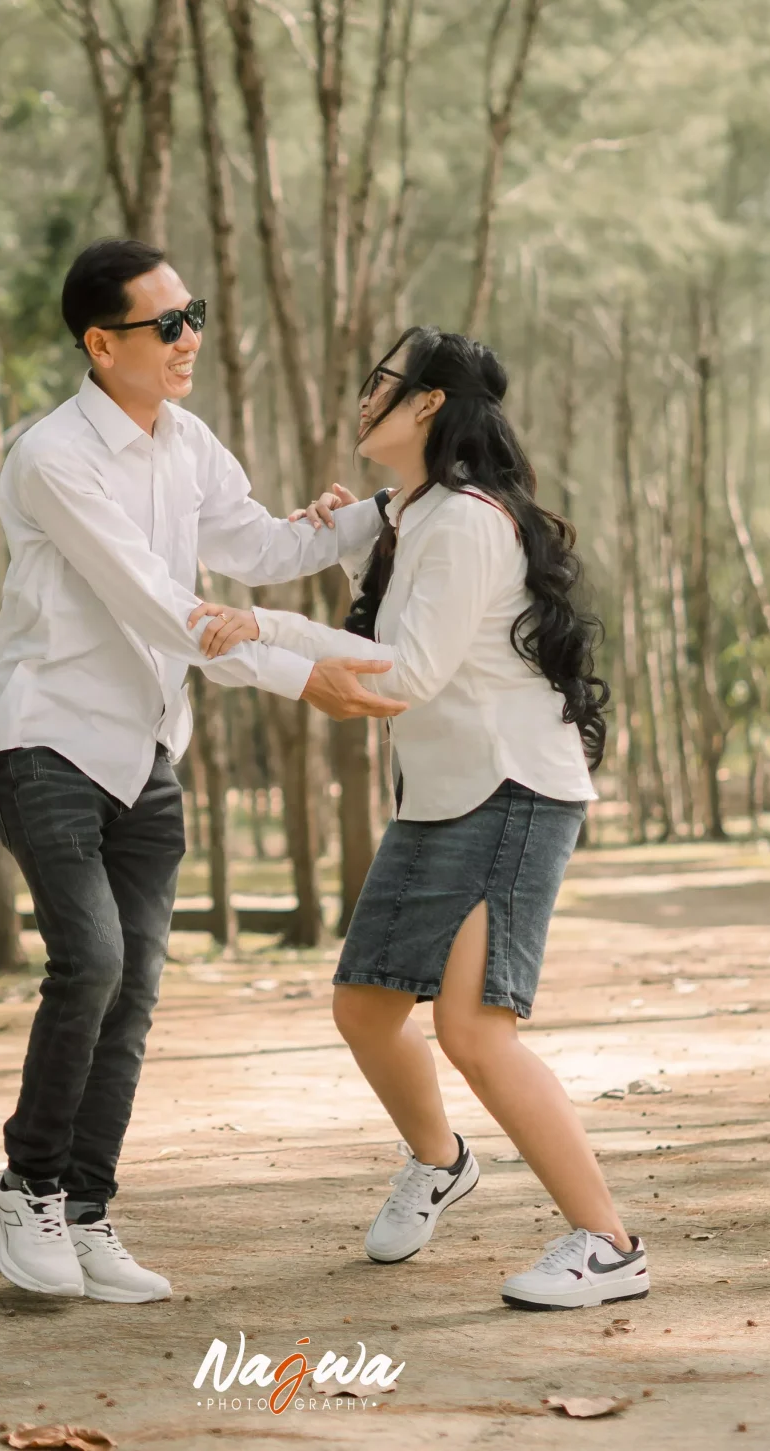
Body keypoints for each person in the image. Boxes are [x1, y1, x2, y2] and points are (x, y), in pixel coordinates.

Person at [0, 237, 407, 1305]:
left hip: (149, 752)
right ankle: (26, 1188)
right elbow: (158, 605)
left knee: (133, 992)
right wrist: (300, 673)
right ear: (99, 343)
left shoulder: (189, 440)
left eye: (195, 314)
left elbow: (257, 549)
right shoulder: (53, 457)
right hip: (49, 741)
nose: (190, 339)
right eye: (167, 324)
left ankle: (86, 1211)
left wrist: (389, 506)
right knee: (91, 961)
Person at [190, 326, 645, 1311]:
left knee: (474, 1031)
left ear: (429, 403)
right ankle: (441, 1160)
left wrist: (265, 627)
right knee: (364, 1008)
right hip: (441, 796)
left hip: (509, 788)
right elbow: (338, 594)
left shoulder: (469, 521)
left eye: (381, 384)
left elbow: (411, 674)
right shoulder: (409, 513)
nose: (364, 400)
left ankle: (609, 1245)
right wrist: (330, 558)